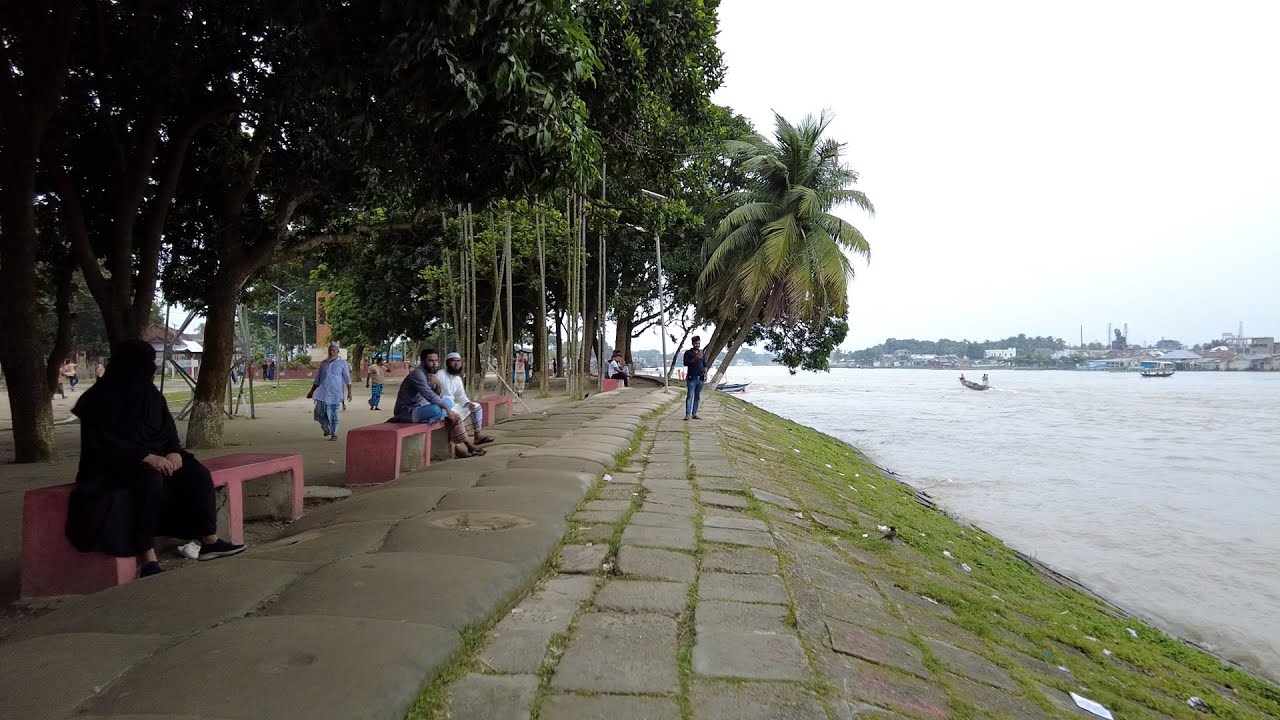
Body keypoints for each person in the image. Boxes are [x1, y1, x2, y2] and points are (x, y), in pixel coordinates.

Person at [66, 340, 244, 577]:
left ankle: (209, 540)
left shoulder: (148, 392)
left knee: (196, 474)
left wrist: (173, 451)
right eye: (144, 364)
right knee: (149, 483)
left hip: (158, 456)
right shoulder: (98, 398)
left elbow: (166, 425)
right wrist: (145, 457)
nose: (150, 368)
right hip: (112, 465)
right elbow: (104, 441)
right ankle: (147, 556)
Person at [393, 349, 484, 457]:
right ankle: (465, 445)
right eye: (431, 361)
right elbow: (430, 396)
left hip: (424, 407)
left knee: (449, 403)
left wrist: (438, 386)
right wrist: (447, 410)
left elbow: (437, 395)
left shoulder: (431, 375)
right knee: (443, 411)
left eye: (436, 360)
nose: (434, 363)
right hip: (408, 411)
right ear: (422, 362)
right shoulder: (418, 375)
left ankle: (464, 445)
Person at [438, 351, 494, 445]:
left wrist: (467, 403)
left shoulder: (457, 379)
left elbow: (460, 395)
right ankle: (459, 444)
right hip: (441, 407)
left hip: (452, 406)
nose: (456, 364)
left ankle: (477, 436)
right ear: (448, 363)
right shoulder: (439, 374)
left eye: (458, 361)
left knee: (476, 407)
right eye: (453, 361)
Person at [307, 341, 352, 440]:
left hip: (335, 393)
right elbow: (318, 378)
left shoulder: (342, 363)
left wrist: (349, 392)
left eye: (333, 350)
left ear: (338, 351)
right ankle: (326, 428)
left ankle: (334, 433)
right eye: (330, 350)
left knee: (333, 414)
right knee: (318, 412)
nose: (331, 352)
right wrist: (311, 391)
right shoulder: (324, 363)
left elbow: (347, 378)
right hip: (323, 392)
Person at [683, 336, 708, 420]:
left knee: (697, 396)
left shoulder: (702, 354)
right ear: (693, 343)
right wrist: (696, 358)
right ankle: (687, 414)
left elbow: (705, 365)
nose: (698, 345)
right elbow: (686, 363)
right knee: (690, 396)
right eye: (696, 343)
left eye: (699, 343)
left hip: (700, 378)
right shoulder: (688, 353)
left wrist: (705, 374)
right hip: (692, 377)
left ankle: (694, 413)